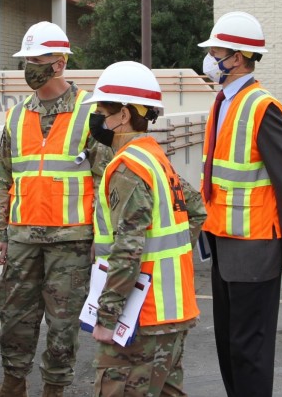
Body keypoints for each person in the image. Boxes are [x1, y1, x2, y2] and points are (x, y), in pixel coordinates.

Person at [0, 21, 112, 397]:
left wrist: (103, 236)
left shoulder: (91, 112)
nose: (30, 66)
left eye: (38, 58)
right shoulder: (17, 115)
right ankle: (13, 385)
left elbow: (105, 179)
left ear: (60, 62)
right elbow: (3, 176)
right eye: (27, 59)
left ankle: (54, 390)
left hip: (72, 239)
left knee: (63, 325)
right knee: (14, 316)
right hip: (21, 237)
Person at [198, 11, 282, 397]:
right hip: (224, 243)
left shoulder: (263, 107)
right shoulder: (224, 101)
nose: (210, 57)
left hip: (256, 248)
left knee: (250, 351)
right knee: (230, 347)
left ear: (239, 56)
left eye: (216, 50)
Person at [84, 61, 205, 397]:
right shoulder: (155, 159)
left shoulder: (127, 168)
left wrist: (107, 317)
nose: (98, 121)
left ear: (124, 115)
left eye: (103, 112)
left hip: (142, 318)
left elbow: (128, 248)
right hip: (171, 312)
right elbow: (195, 210)